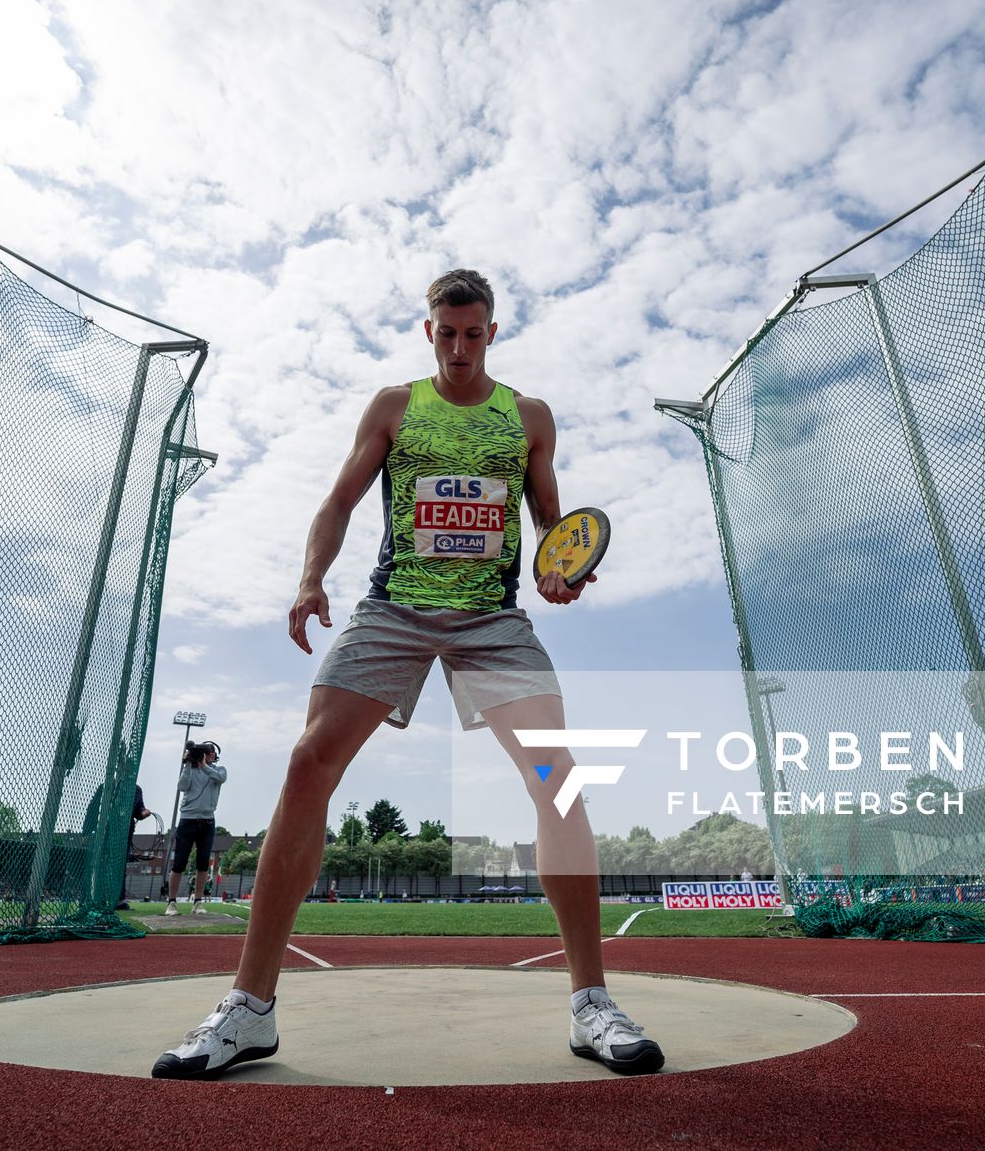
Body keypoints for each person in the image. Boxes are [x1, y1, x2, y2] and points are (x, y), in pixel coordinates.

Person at [152, 269, 663, 1080]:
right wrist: (310, 579)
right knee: (305, 764)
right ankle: (250, 1008)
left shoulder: (528, 418)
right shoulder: (395, 406)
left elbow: (548, 528)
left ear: (492, 332)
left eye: (473, 333)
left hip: (493, 626)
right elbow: (339, 501)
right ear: (430, 331)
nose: (459, 347)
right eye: (446, 333)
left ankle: (592, 1004)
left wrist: (557, 571)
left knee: (555, 777)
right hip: (394, 610)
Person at [165, 742, 225, 916]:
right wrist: (187, 764)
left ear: (215, 755)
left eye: (210, 752)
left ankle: (198, 902)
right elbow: (182, 787)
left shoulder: (219, 770)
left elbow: (220, 779)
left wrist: (204, 765)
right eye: (204, 753)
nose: (207, 755)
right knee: (179, 863)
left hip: (207, 821)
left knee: (203, 863)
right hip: (188, 820)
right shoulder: (190, 769)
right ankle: (172, 903)